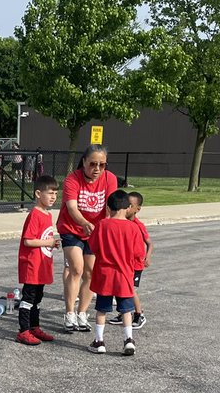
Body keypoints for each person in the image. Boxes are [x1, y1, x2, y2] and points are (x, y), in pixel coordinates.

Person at [59, 144, 118, 333]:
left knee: (91, 272)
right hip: (72, 228)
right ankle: (70, 313)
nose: (97, 169)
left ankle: (82, 313)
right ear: (84, 162)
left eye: (102, 165)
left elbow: (110, 207)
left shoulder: (110, 179)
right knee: (76, 268)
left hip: (95, 231)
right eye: (93, 164)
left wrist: (107, 226)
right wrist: (84, 223)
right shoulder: (72, 179)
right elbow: (72, 207)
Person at [86, 189, 142, 356]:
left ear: (108, 208)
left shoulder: (102, 225)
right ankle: (128, 339)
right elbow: (138, 252)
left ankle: (99, 341)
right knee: (126, 310)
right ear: (128, 208)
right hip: (124, 274)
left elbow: (93, 247)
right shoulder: (133, 228)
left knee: (102, 309)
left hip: (104, 274)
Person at [15, 175, 61, 346]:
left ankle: (34, 327)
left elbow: (42, 238)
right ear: (38, 194)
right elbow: (28, 241)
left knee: (38, 297)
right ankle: (23, 331)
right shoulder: (35, 214)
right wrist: (49, 242)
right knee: (29, 297)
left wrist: (51, 243)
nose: (53, 197)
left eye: (55, 193)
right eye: (50, 193)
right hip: (32, 264)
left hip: (42, 264)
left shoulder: (47, 215)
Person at [109, 191, 151, 329]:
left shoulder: (138, 225)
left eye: (130, 205)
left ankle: (139, 314)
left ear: (137, 209)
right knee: (120, 288)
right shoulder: (122, 223)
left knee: (130, 289)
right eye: (126, 204)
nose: (127, 208)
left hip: (135, 264)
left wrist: (148, 256)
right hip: (124, 263)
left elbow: (149, 243)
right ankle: (124, 313)